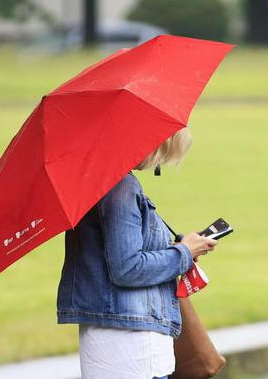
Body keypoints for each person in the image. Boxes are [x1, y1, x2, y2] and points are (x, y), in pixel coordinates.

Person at [56, 127, 218, 379]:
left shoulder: (99, 183)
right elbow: (128, 268)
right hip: (133, 344)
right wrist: (183, 253)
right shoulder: (121, 187)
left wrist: (180, 248)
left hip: (114, 340)